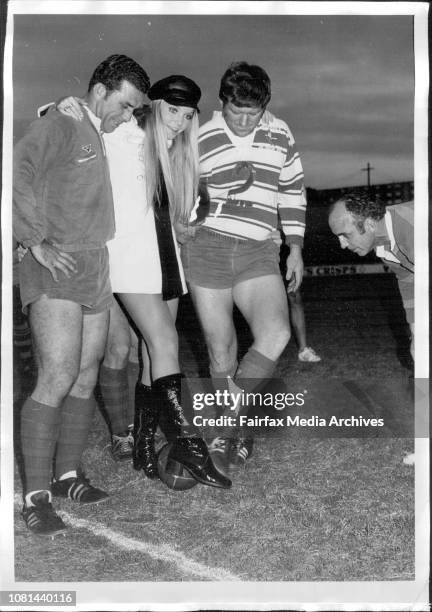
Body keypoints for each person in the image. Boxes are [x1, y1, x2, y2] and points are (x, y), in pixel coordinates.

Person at [56, 75, 231, 490]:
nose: (178, 121)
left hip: (165, 260)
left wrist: (188, 223)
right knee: (166, 343)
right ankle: (188, 443)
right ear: (152, 107)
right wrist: (60, 104)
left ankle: (142, 446)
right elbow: (77, 118)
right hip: (130, 260)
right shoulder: (122, 132)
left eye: (187, 115)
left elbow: (180, 208)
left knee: (155, 357)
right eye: (172, 111)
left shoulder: (178, 151)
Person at [13, 54, 150, 537]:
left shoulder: (94, 129)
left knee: (86, 372)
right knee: (57, 374)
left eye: (134, 109)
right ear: (99, 91)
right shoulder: (63, 122)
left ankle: (68, 474)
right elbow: (17, 173)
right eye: (126, 105)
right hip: (59, 263)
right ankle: (35, 497)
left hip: (96, 263)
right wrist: (34, 242)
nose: (128, 115)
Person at [180, 61, 307, 472]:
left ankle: (227, 426)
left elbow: (291, 190)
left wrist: (296, 246)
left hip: (258, 249)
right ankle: (232, 429)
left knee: (277, 332)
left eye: (254, 114)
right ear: (223, 102)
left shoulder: (280, 132)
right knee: (221, 353)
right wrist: (214, 192)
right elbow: (184, 197)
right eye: (237, 113)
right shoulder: (199, 135)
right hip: (209, 247)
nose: (245, 121)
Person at [328, 193, 414, 360]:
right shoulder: (383, 246)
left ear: (369, 224)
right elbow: (409, 280)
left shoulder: (412, 224)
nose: (342, 245)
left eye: (345, 235)